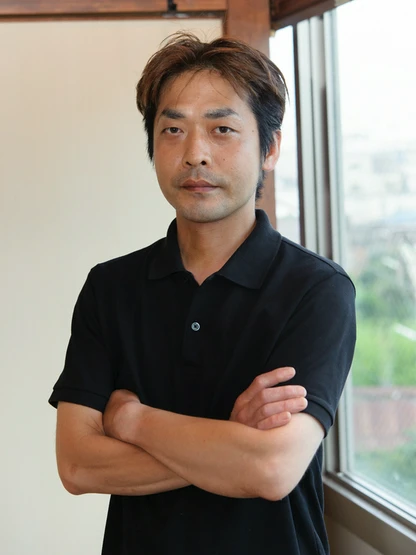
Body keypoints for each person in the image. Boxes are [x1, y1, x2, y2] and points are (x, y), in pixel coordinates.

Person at [49, 32, 356, 555]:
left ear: (270, 148)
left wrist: (130, 420)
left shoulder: (316, 289)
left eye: (222, 129)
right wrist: (229, 437)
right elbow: (78, 465)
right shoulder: (111, 287)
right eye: (173, 130)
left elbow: (271, 468)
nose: (195, 154)